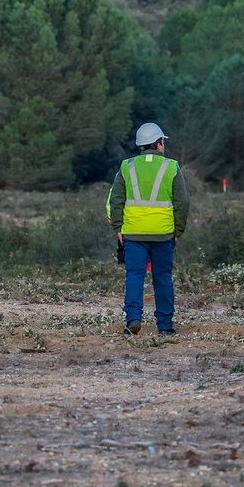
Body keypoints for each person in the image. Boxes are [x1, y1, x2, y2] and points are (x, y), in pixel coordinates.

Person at [105, 122, 189, 335]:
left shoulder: (127, 166)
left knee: (134, 276)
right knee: (162, 277)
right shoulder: (171, 166)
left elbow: (116, 199)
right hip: (163, 233)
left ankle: (133, 319)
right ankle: (165, 325)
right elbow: (183, 202)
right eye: (163, 142)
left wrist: (118, 227)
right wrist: (178, 231)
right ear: (158, 144)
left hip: (133, 233)